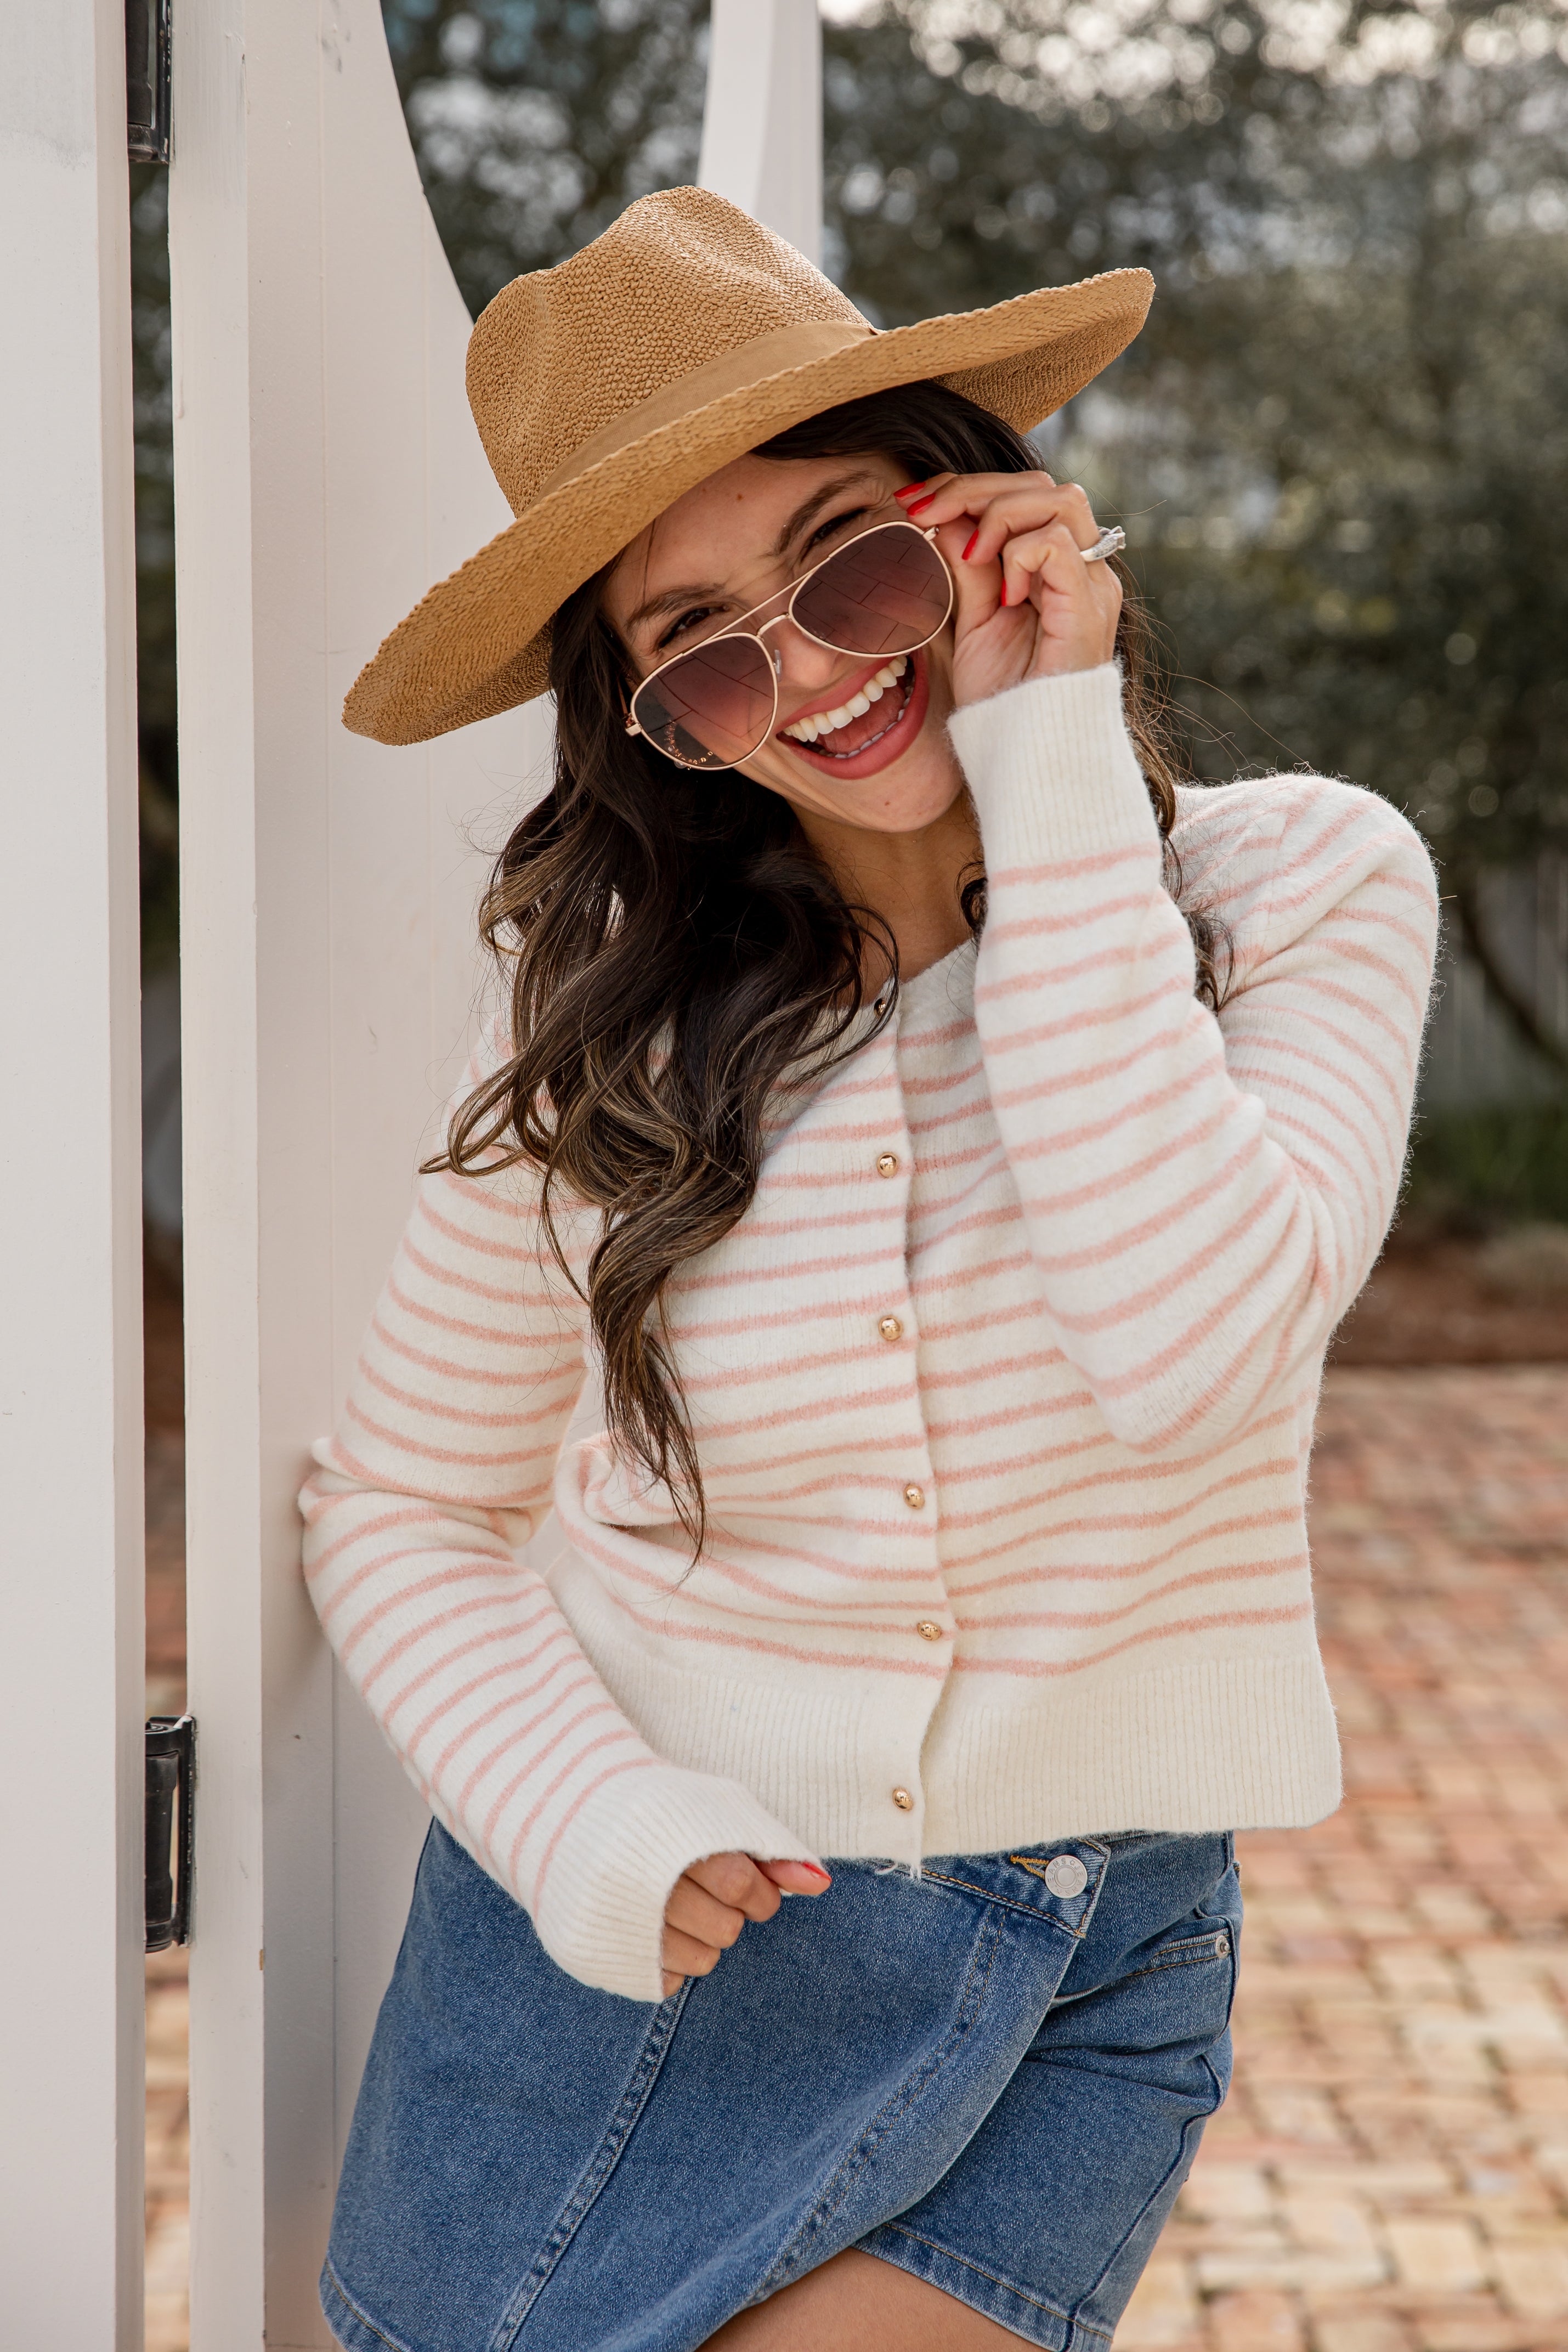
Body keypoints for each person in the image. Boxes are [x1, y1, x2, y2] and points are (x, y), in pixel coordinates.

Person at [302, 188, 1437, 2352]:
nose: (812, 666)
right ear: (661, 729)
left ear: (983, 516)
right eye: (709, 649)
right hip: (645, 1980)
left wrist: (1047, 748)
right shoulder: (609, 1030)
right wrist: (595, 1814)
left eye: (853, 557)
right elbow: (402, 1515)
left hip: (1102, 1953)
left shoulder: (1298, 887)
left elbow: (1184, 1344)